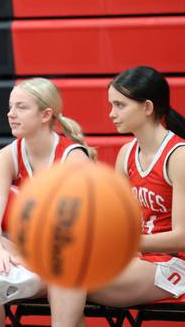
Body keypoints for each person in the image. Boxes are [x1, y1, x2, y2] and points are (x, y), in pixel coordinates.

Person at [46, 66, 185, 327]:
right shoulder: (127, 153)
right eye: (111, 105)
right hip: (138, 258)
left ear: (147, 107)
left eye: (120, 105)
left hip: (175, 265)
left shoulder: (178, 156)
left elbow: (182, 237)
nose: (111, 113)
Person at [0, 78, 91, 327]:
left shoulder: (74, 159)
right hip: (26, 257)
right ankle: (17, 270)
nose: (11, 114)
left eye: (21, 107)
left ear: (46, 114)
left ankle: (19, 270)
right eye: (10, 107)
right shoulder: (7, 155)